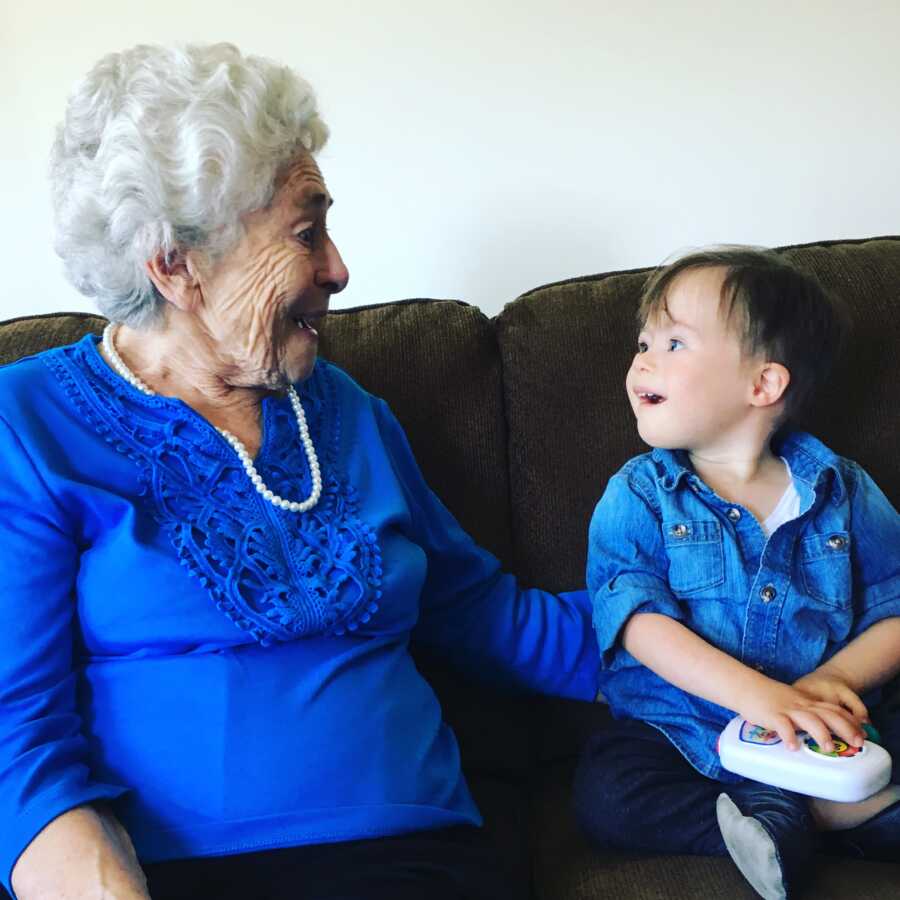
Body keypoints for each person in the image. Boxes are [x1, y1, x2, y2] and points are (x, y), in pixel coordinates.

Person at [0, 43, 601, 900]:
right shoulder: (27, 423)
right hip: (171, 874)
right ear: (175, 266)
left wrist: (738, 651)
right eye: (305, 231)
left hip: (421, 859)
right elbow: (16, 741)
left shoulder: (346, 412)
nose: (339, 269)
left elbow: (489, 616)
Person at [572, 247, 900, 900]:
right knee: (606, 791)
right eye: (643, 342)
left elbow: (894, 610)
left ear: (763, 386)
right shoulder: (640, 493)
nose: (643, 359)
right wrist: (754, 695)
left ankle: (803, 817)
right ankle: (785, 823)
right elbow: (637, 621)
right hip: (680, 738)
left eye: (673, 343)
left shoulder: (843, 491)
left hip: (822, 733)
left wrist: (834, 679)